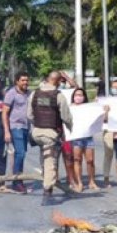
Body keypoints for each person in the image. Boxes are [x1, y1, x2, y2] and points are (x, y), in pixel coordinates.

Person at [30, 70, 74, 204]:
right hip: (50, 134)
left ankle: (46, 181)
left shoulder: (34, 94)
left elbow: (29, 115)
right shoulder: (58, 96)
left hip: (37, 133)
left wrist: (38, 124)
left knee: (43, 158)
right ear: (57, 81)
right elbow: (66, 117)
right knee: (50, 162)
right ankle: (47, 193)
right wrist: (71, 128)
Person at [2, 72, 32, 193]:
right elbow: (4, 113)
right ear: (17, 81)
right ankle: (16, 182)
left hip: (26, 127)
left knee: (21, 154)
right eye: (23, 80)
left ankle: (19, 179)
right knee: (20, 153)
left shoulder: (29, 93)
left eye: (27, 80)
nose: (25, 82)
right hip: (16, 126)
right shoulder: (11, 94)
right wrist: (6, 131)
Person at [64, 87, 94, 193]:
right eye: (76, 95)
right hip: (75, 137)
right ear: (73, 97)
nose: (78, 97)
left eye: (80, 95)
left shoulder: (89, 107)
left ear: (84, 97)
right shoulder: (69, 108)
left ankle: (91, 181)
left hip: (88, 136)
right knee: (77, 159)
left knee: (90, 160)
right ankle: (79, 182)